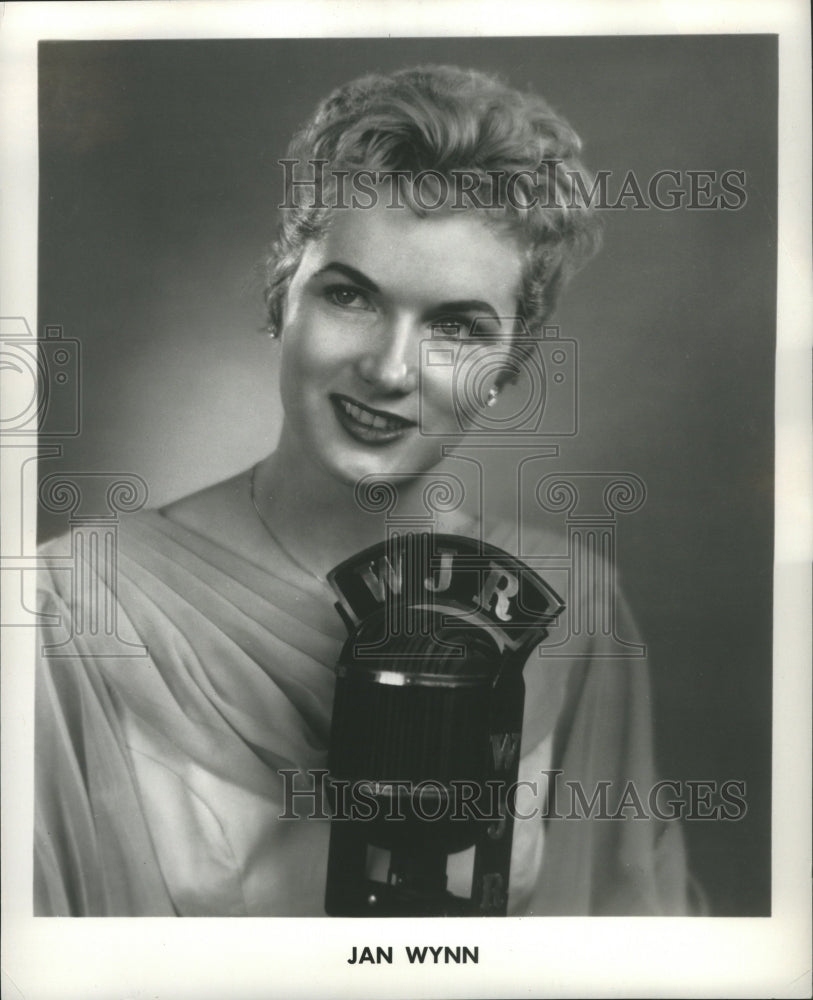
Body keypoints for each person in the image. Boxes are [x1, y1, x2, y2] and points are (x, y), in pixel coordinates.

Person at [35, 64, 698, 916]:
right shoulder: (75, 604)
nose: (389, 370)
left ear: (508, 366)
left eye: (455, 326)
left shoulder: (573, 609)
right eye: (350, 296)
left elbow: (624, 935)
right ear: (282, 300)